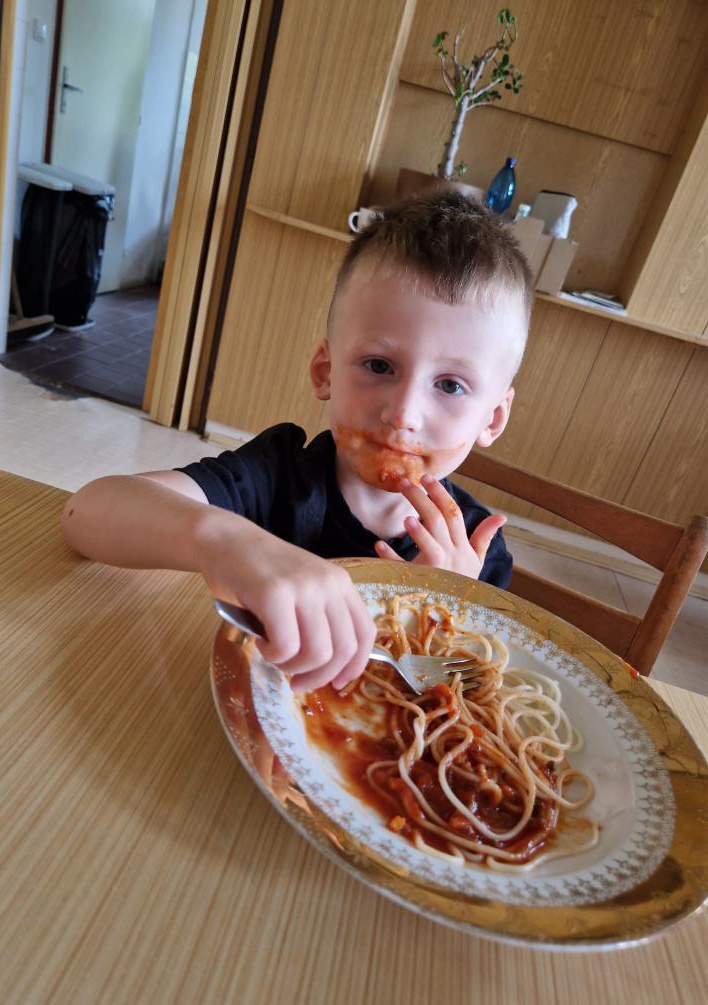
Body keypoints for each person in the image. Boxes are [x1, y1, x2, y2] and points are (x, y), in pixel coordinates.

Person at [61, 192, 533, 693]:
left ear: (493, 418)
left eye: (450, 385)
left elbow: (463, 693)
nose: (403, 414)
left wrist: (443, 612)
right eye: (379, 366)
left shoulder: (479, 552)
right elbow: (84, 512)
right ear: (326, 372)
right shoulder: (277, 476)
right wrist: (222, 539)